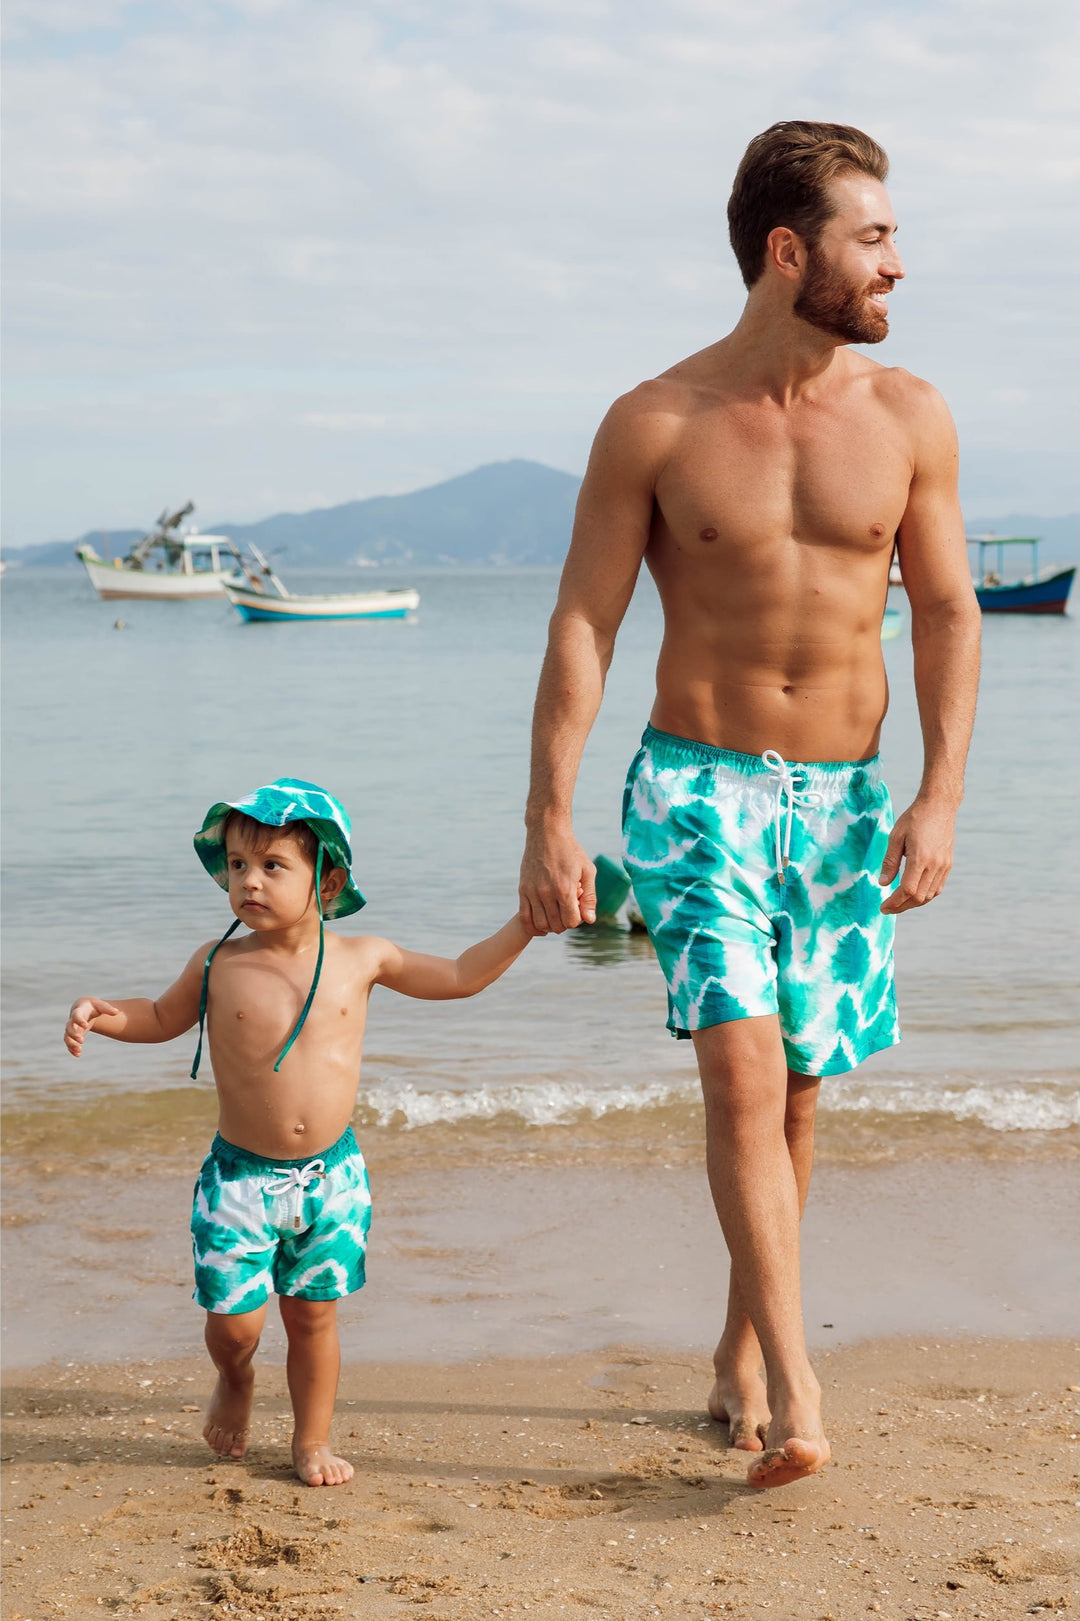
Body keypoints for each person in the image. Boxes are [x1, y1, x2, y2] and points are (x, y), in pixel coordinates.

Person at [517, 121, 981, 1489]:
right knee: (739, 1066)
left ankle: (737, 1343)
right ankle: (796, 1376)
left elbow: (950, 611)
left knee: (798, 1093)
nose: (899, 259)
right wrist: (550, 816)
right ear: (793, 254)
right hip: (694, 788)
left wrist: (940, 797)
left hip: (842, 800)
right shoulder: (656, 421)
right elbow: (584, 625)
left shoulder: (910, 418)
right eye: (874, 236)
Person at [65, 778, 530, 1488]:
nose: (248, 880)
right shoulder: (218, 963)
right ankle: (236, 1376)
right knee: (236, 1325)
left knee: (314, 1318)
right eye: (237, 865)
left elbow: (463, 974)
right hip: (240, 1179)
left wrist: (525, 925)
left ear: (330, 877)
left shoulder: (363, 958)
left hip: (332, 1178)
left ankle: (312, 1440)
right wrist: (103, 1013)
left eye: (272, 865)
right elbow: (159, 1017)